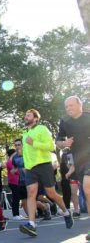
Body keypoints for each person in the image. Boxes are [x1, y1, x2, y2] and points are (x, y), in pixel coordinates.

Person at [18, 109, 73, 237]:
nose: (26, 117)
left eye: (28, 115)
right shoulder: (25, 133)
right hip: (30, 169)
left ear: (36, 118)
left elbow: (50, 146)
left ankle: (65, 212)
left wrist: (34, 143)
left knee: (51, 193)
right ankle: (31, 224)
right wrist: (26, 166)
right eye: (25, 115)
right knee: (31, 193)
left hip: (44, 165)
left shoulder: (42, 129)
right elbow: (26, 152)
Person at [56, 96, 90, 238]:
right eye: (67, 107)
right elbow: (57, 141)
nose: (69, 108)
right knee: (88, 193)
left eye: (71, 105)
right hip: (79, 161)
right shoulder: (65, 122)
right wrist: (65, 143)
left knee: (88, 187)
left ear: (79, 104)